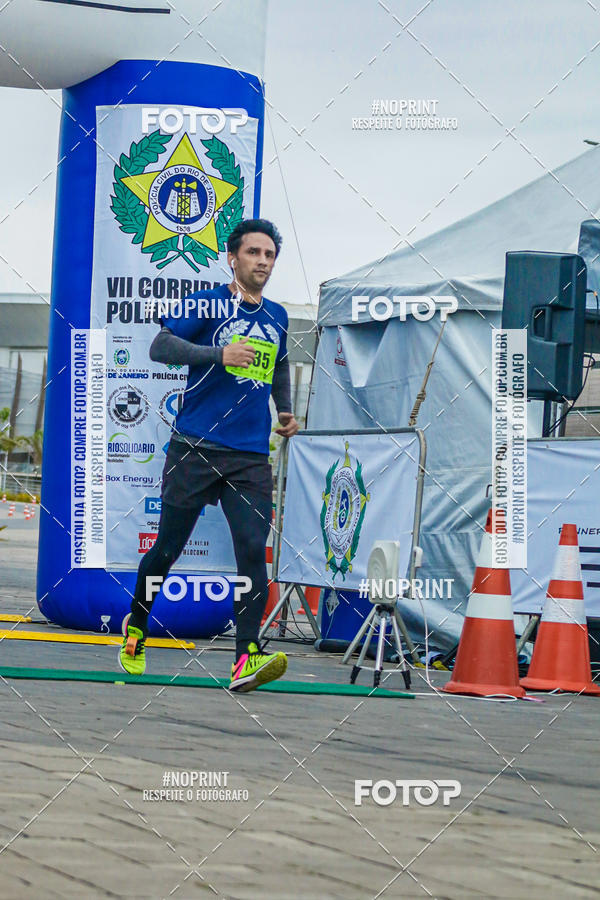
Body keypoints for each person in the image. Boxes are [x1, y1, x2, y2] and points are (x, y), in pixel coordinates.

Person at [118, 218, 299, 692]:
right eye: (254, 253)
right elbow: (161, 347)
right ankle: (136, 628)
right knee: (167, 550)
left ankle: (246, 658)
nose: (262, 261)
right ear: (232, 257)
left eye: (269, 255)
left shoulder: (278, 315)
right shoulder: (209, 302)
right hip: (194, 448)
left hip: (249, 456)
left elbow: (279, 367)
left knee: (250, 550)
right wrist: (220, 354)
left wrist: (285, 411)